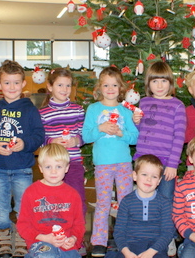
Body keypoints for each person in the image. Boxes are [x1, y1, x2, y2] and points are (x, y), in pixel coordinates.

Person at [0, 60, 45, 258]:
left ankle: (22, 239)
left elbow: (38, 135)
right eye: (7, 83)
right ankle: (4, 241)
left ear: (23, 84)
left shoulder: (30, 110)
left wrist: (24, 144)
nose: (12, 87)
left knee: (23, 207)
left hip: (22, 169)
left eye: (16, 82)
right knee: (0, 207)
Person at [82, 66, 139, 257]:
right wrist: (101, 127)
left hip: (123, 163)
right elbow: (86, 135)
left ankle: (127, 238)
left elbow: (135, 137)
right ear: (100, 87)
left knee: (126, 202)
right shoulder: (93, 109)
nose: (110, 88)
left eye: (114, 85)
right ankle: (99, 241)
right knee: (103, 202)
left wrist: (120, 132)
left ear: (120, 87)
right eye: (106, 85)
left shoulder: (124, 110)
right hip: (103, 164)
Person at [39, 68, 86, 255]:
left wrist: (76, 141)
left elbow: (84, 134)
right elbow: (40, 139)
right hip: (52, 165)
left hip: (73, 163)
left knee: (77, 201)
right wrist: (51, 141)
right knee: (54, 202)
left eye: (68, 85)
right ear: (50, 87)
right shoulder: (43, 113)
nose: (65, 89)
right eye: (60, 85)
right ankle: (54, 236)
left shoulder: (77, 109)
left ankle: (77, 239)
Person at [17, 143, 85, 258]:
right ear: (41, 168)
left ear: (66, 168)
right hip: (39, 242)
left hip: (66, 244)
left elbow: (79, 224)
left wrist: (73, 238)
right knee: (47, 255)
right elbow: (23, 225)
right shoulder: (31, 192)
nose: (53, 172)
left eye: (58, 166)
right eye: (48, 167)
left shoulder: (73, 194)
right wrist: (43, 237)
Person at [132, 61, 186, 200]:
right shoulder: (144, 102)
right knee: (144, 195)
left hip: (166, 162)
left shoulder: (177, 105)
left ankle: (165, 223)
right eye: (155, 81)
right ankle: (145, 222)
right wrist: (136, 122)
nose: (160, 85)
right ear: (148, 83)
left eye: (164, 81)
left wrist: (173, 164)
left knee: (166, 198)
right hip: (144, 159)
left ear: (170, 82)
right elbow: (142, 131)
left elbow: (179, 137)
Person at [107, 154, 174, 258]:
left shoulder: (164, 203)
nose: (149, 179)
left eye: (154, 176)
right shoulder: (126, 201)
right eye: (144, 174)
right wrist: (126, 252)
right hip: (129, 248)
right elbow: (119, 231)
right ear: (134, 176)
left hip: (155, 250)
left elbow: (167, 232)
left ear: (159, 181)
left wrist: (151, 252)